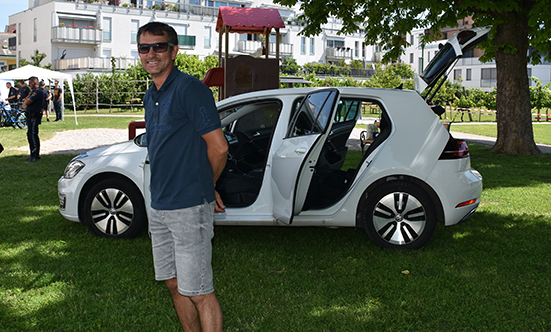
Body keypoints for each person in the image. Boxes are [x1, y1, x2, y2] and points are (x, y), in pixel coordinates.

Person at [137, 21, 227, 332]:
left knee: (200, 291)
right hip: (159, 204)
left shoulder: (191, 90)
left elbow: (218, 148)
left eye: (159, 46)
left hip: (188, 206)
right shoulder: (151, 94)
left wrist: (206, 185)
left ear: (174, 51)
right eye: (144, 48)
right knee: (174, 284)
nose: (151, 53)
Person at [21, 76, 44, 162]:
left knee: (33, 134)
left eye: (30, 83)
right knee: (30, 134)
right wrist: (25, 103)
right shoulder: (33, 92)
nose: (29, 85)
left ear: (35, 83)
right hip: (30, 116)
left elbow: (26, 102)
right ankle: (33, 154)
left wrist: (26, 103)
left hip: (34, 116)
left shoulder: (37, 92)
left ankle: (35, 154)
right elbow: (25, 103)